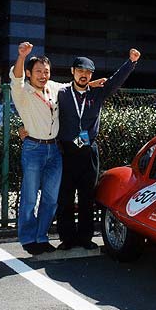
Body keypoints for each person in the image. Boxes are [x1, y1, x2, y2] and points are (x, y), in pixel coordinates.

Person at [55, 49, 140, 250]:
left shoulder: (97, 94)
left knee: (87, 196)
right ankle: (67, 239)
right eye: (80, 70)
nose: (84, 75)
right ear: (73, 71)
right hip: (66, 151)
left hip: (88, 152)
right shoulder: (62, 93)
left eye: (88, 72)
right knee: (65, 196)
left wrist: (131, 62)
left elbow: (115, 81)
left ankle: (85, 238)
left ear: (91, 75)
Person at [10, 42, 63, 255]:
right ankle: (28, 238)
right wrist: (22, 56)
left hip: (55, 151)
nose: (43, 75)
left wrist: (94, 83)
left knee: (51, 199)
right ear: (30, 73)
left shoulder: (54, 88)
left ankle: (42, 237)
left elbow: (74, 86)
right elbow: (16, 77)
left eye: (46, 71)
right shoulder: (23, 92)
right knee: (30, 197)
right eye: (39, 71)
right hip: (34, 148)